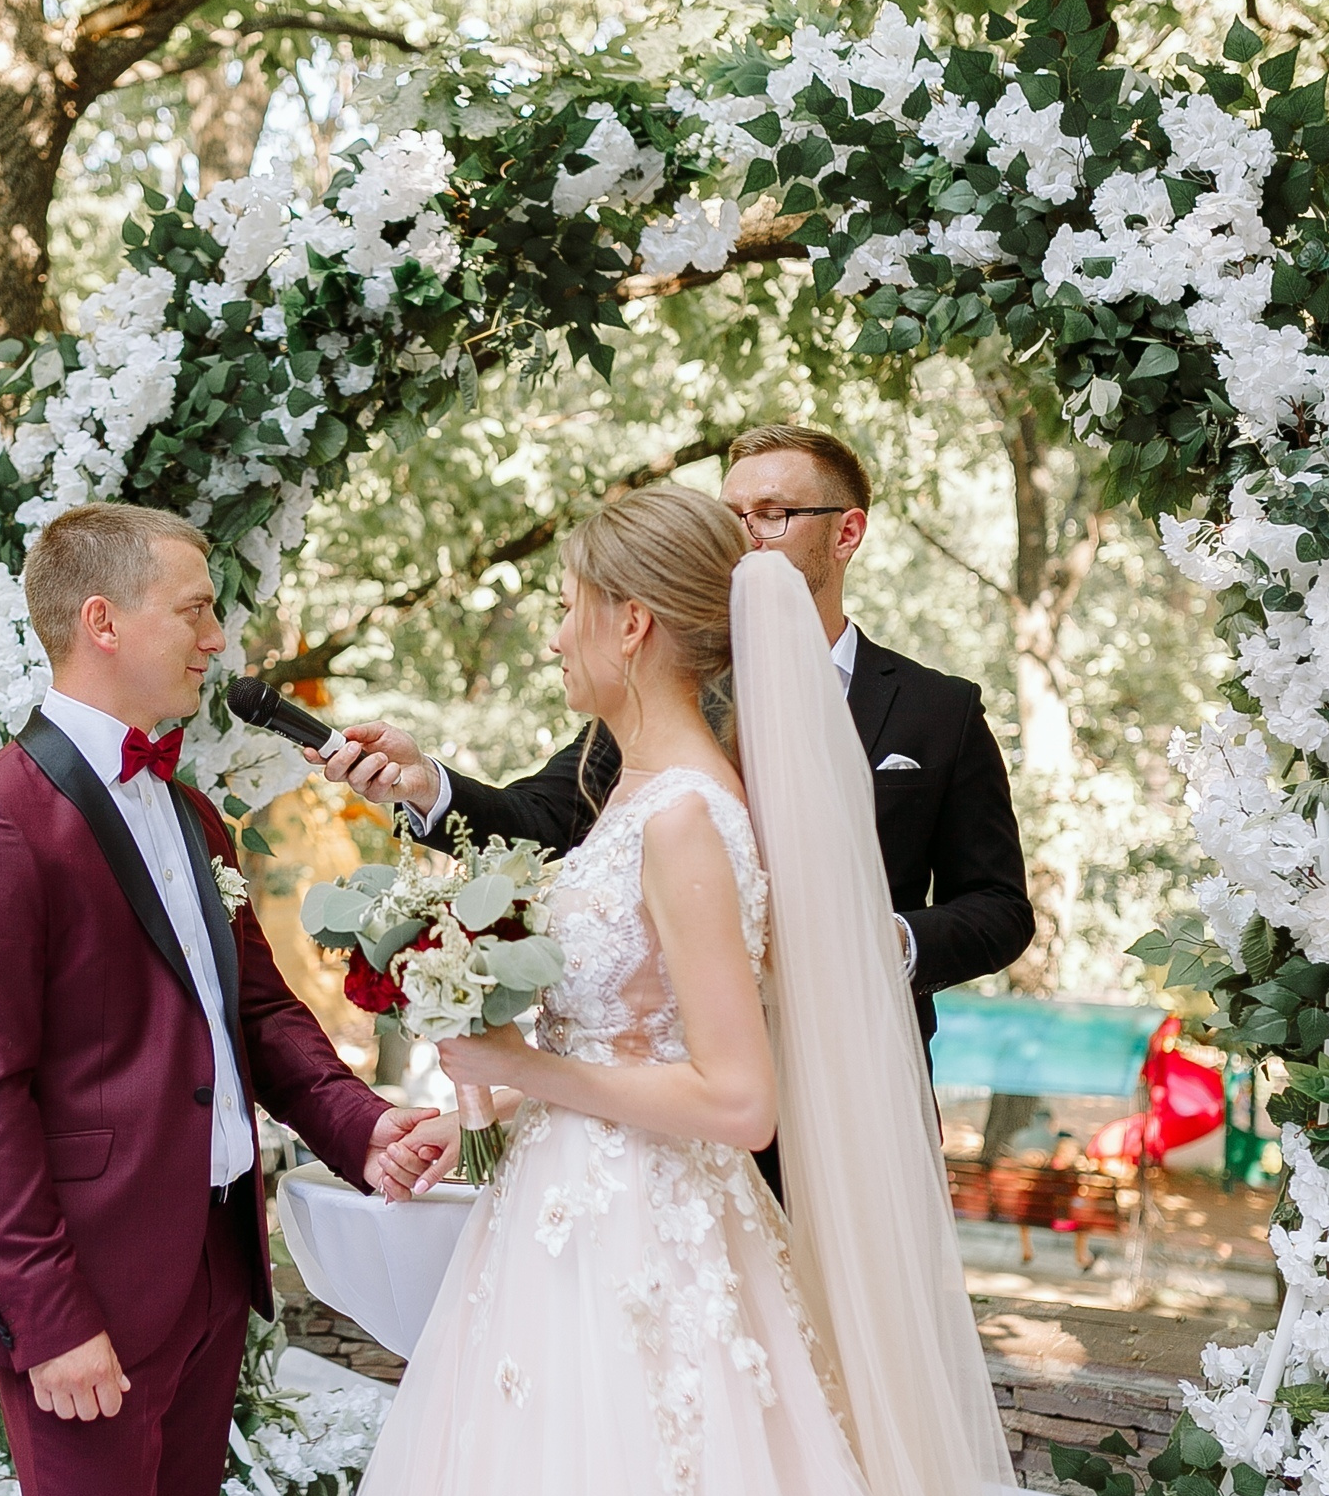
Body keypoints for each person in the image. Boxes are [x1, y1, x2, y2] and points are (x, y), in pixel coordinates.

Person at [300, 486, 1095, 1496]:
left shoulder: (685, 817)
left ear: (631, 624)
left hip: (650, 1241)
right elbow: (633, 1033)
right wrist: (489, 1091)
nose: (554, 633)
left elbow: (737, 1096)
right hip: (567, 1222)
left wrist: (528, 1065)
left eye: (567, 606)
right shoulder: (626, 788)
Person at [0, 503, 438, 1496]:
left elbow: (255, 1015)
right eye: (193, 609)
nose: (215, 640)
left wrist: (369, 1123)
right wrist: (49, 1323)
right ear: (102, 619)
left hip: (205, 1263)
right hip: (84, 1286)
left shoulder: (192, 812)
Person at [319, 424, 1033, 1058]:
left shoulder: (940, 710)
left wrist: (886, 942)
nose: (745, 536)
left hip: (861, 1069)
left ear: (845, 533)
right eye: (731, 516)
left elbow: (1000, 907)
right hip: (686, 1076)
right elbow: (539, 819)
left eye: (773, 515)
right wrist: (426, 785)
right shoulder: (672, 693)